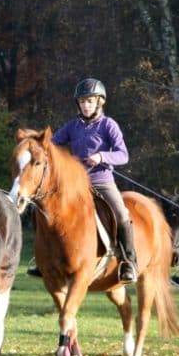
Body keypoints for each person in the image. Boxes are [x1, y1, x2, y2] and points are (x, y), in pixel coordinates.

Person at [50, 78, 137, 283]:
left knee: (121, 215)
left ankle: (128, 262)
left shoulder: (109, 125)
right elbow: (52, 144)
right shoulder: (72, 126)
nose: (85, 105)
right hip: (76, 184)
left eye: (89, 101)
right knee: (51, 211)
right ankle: (45, 259)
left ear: (100, 102)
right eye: (82, 102)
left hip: (102, 181)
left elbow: (123, 155)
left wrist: (101, 157)